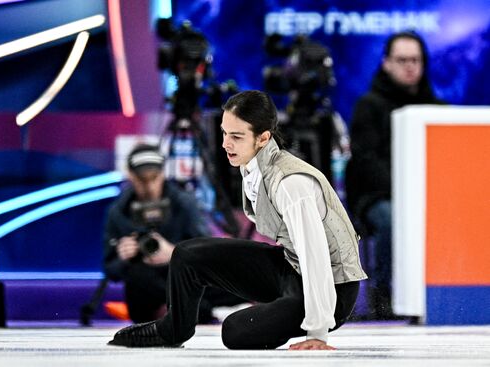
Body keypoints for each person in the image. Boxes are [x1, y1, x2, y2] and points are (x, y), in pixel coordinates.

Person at [108, 91, 367, 350]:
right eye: (224, 133)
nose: (225, 144)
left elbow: (316, 256)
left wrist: (317, 332)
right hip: (292, 267)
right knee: (187, 255)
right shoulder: (253, 164)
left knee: (234, 331)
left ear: (263, 138)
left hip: (333, 288)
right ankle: (173, 329)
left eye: (236, 136)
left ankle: (287, 314)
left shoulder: (291, 182)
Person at [346, 31, 444, 319]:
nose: (409, 66)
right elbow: (366, 161)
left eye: (415, 59)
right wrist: (406, 194)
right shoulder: (369, 105)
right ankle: (386, 295)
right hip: (377, 197)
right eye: (402, 60)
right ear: (386, 63)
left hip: (429, 196)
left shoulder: (437, 109)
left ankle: (443, 290)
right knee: (393, 219)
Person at [104, 143, 237, 323]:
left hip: (182, 276)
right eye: (143, 179)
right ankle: (199, 309)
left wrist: (174, 253)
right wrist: (123, 256)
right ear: (131, 176)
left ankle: (189, 307)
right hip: (146, 286)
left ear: (163, 174)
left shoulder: (183, 203)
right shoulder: (119, 211)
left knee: (234, 278)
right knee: (138, 277)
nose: (150, 186)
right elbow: (110, 270)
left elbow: (206, 254)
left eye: (154, 178)